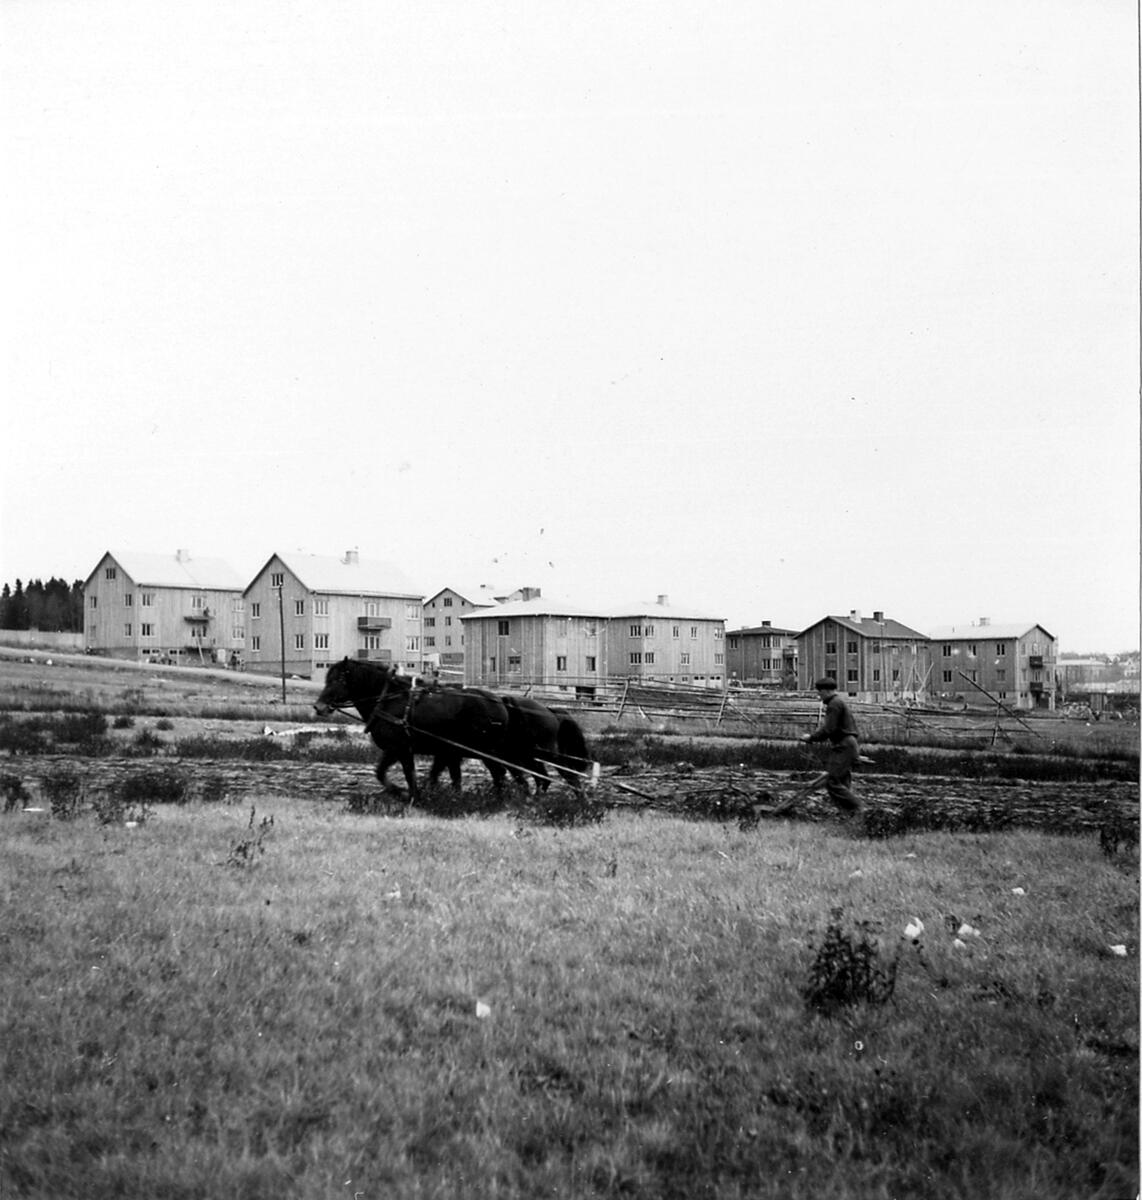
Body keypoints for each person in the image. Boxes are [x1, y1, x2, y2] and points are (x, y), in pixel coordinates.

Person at [801, 677, 861, 813]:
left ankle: (859, 809)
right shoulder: (838, 703)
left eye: (820, 692)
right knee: (842, 782)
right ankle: (849, 815)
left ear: (827, 691)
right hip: (848, 744)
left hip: (844, 746)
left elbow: (829, 729)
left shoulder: (834, 704)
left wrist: (811, 737)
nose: (819, 695)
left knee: (832, 782)